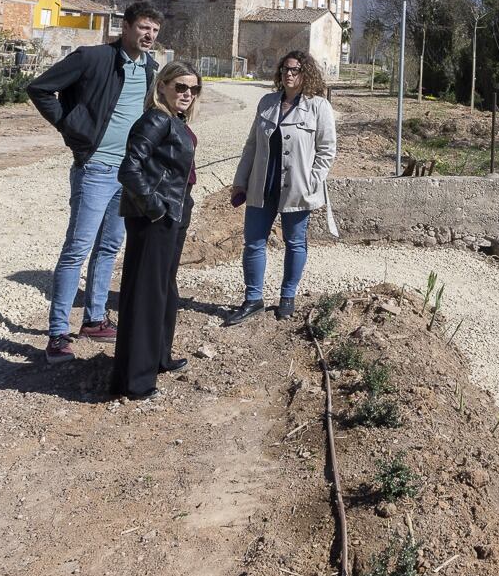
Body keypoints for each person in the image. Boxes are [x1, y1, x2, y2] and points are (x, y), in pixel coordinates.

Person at [26, 2, 163, 363]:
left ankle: (95, 318)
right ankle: (57, 333)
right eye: (143, 28)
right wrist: (73, 129)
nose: (148, 36)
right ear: (127, 27)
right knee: (77, 250)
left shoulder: (150, 67)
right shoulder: (93, 58)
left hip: (127, 173)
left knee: (109, 248)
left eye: (154, 31)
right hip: (95, 168)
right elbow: (40, 88)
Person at [222, 50, 337, 325]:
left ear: (305, 74)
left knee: (295, 242)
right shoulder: (267, 102)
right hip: (262, 186)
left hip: (297, 188)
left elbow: (327, 150)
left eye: (295, 70)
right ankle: (253, 299)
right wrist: (240, 181)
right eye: (285, 69)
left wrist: (312, 180)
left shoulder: (319, 106)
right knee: (253, 242)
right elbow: (251, 145)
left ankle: (288, 296)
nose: (289, 74)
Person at [111, 61, 202, 400]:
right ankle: (135, 380)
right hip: (155, 217)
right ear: (162, 86)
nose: (187, 94)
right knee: (147, 295)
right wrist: (155, 209)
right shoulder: (155, 119)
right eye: (180, 87)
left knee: (164, 290)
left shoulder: (173, 121)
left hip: (173, 212)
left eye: (193, 89)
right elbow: (129, 170)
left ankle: (157, 358)